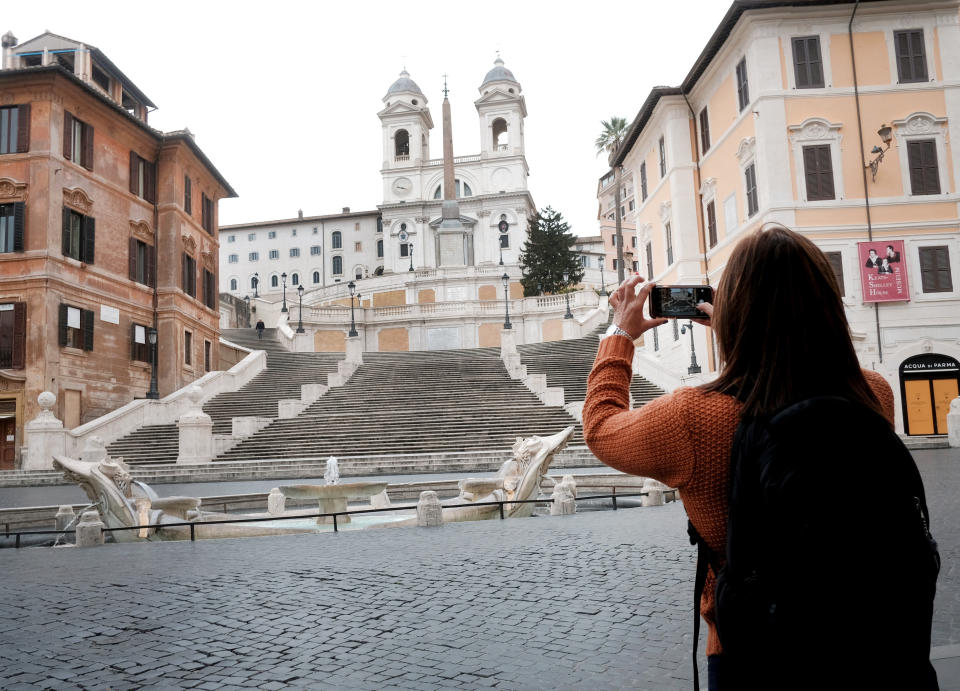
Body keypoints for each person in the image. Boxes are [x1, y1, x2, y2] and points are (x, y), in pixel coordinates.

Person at [582, 224, 928, 690]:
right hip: (873, 644)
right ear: (829, 303)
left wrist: (619, 332)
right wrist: (743, 327)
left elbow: (601, 427)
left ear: (737, 312)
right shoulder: (875, 394)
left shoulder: (691, 418)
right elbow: (794, 372)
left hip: (753, 654)